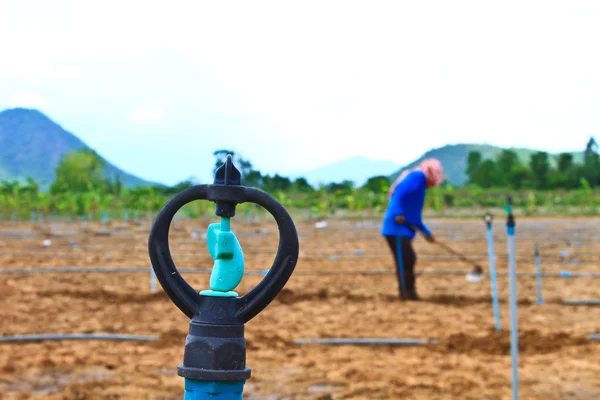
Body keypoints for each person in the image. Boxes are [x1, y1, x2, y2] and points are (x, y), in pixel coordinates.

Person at [381, 158, 445, 300]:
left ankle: (409, 292)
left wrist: (427, 234)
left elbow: (415, 217)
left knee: (408, 260)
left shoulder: (420, 185)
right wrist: (397, 212)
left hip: (404, 228)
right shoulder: (418, 176)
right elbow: (399, 193)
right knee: (406, 259)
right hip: (396, 228)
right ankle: (405, 293)